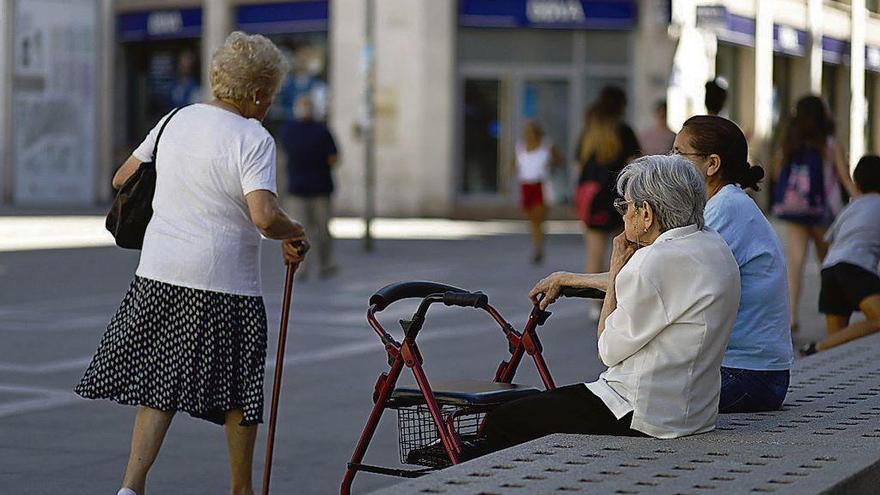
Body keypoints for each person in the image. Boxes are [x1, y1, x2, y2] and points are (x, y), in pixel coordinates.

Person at [75, 32, 308, 495]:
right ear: (259, 92)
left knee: (161, 382)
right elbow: (263, 215)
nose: (269, 104)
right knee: (240, 390)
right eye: (271, 95)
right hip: (225, 284)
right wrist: (295, 231)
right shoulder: (253, 137)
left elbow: (124, 177)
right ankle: (241, 490)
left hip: (159, 274)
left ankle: (130, 487)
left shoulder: (173, 120)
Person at [479, 155, 740, 450]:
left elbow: (607, 348)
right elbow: (657, 287)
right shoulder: (713, 246)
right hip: (695, 412)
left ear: (647, 214)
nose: (623, 214)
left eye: (626, 206)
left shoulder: (650, 261)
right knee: (546, 403)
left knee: (504, 419)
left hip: (640, 412)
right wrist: (573, 279)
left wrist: (617, 262)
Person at [673, 115, 793, 413]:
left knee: (643, 403)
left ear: (711, 164)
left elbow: (664, 276)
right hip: (741, 371)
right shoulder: (721, 204)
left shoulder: (726, 208)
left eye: (678, 154)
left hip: (751, 377)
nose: (669, 162)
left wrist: (581, 281)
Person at [772, 95, 857, 332]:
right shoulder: (830, 144)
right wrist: (862, 200)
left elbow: (778, 173)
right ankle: (837, 315)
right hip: (823, 212)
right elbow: (844, 179)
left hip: (795, 211)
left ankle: (791, 318)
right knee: (827, 263)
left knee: (795, 264)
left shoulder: (790, 142)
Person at [802, 155, 880, 355]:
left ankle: (817, 352)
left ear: (857, 183)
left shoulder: (850, 208)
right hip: (855, 267)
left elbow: (831, 238)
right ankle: (817, 347)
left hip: (830, 268)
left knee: (838, 340)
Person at [574, 86, 640, 319]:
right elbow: (635, 162)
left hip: (591, 198)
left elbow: (578, 164)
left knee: (594, 252)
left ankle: (594, 306)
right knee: (624, 249)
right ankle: (619, 300)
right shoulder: (623, 131)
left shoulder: (590, 132)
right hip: (616, 195)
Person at [280, 95, 339, 279]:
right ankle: (309, 267)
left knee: (319, 231)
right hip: (301, 189)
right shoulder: (291, 130)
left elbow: (333, 157)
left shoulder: (319, 130)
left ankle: (320, 265)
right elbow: (333, 158)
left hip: (315, 189)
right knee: (305, 232)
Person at [512, 120, 562, 264]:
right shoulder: (520, 147)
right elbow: (515, 164)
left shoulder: (547, 145)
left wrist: (550, 164)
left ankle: (538, 248)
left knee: (538, 218)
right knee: (532, 219)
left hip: (541, 184)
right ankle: (537, 244)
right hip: (526, 184)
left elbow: (559, 160)